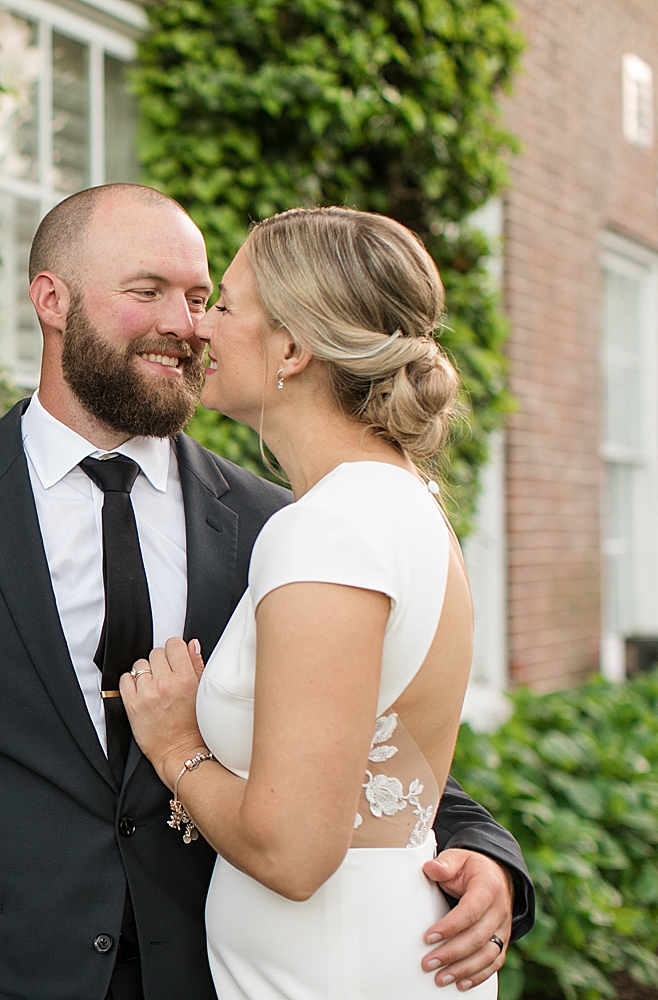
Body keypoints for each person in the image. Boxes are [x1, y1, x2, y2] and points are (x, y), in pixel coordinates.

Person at [0, 185, 533, 1000]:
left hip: (218, 979)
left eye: (201, 298)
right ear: (52, 300)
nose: (185, 324)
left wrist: (483, 852)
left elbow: (347, 738)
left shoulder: (278, 520)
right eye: (148, 293)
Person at [122, 205, 509, 998]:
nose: (200, 330)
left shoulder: (328, 530)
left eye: (223, 304)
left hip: (325, 970)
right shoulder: (398, 501)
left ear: (293, 349)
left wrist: (176, 748)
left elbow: (294, 853)